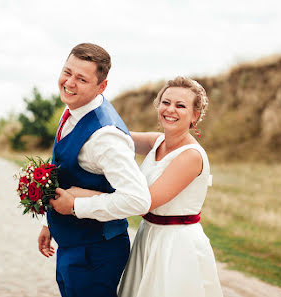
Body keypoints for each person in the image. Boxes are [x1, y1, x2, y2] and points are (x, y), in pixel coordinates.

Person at [66, 76, 224, 296]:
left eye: (181, 105)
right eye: (166, 102)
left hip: (175, 246)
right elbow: (111, 139)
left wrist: (79, 197)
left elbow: (144, 203)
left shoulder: (191, 156)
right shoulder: (157, 141)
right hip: (147, 236)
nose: (170, 109)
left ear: (195, 116)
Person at [37, 43, 151, 297]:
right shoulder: (72, 109)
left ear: (102, 86)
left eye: (82, 78)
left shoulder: (105, 136)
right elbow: (64, 172)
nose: (69, 83)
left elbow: (138, 199)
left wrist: (77, 206)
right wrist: (49, 224)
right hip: (73, 246)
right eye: (67, 72)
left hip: (96, 253)